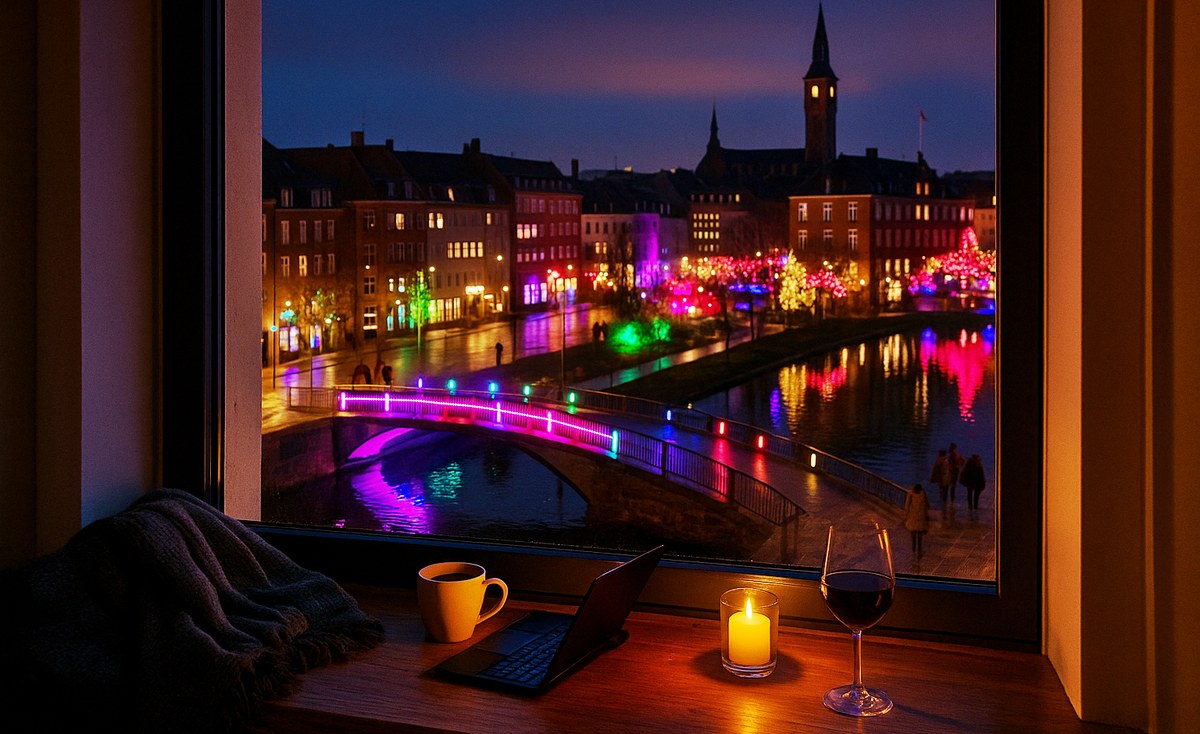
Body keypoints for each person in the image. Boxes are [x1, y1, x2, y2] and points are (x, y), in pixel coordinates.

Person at [905, 483, 930, 558]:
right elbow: (926, 505)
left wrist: (906, 515)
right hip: (919, 517)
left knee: (914, 534)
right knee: (919, 534)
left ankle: (914, 548)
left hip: (914, 517)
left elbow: (907, 505)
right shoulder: (922, 494)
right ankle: (918, 548)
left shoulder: (911, 494)